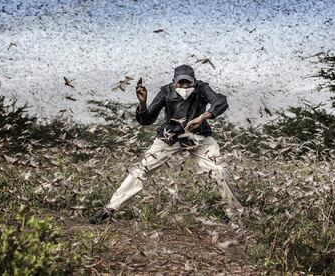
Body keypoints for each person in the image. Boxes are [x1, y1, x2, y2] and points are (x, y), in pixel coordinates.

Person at [89, 64, 244, 224]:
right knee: (142, 169)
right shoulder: (166, 91)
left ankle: (237, 216)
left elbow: (220, 101)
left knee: (218, 170)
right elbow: (147, 120)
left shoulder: (202, 88)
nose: (184, 86)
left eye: (187, 83)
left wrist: (202, 117)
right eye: (180, 83)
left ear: (194, 82)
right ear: (173, 82)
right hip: (169, 136)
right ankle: (110, 209)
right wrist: (142, 104)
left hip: (199, 136)